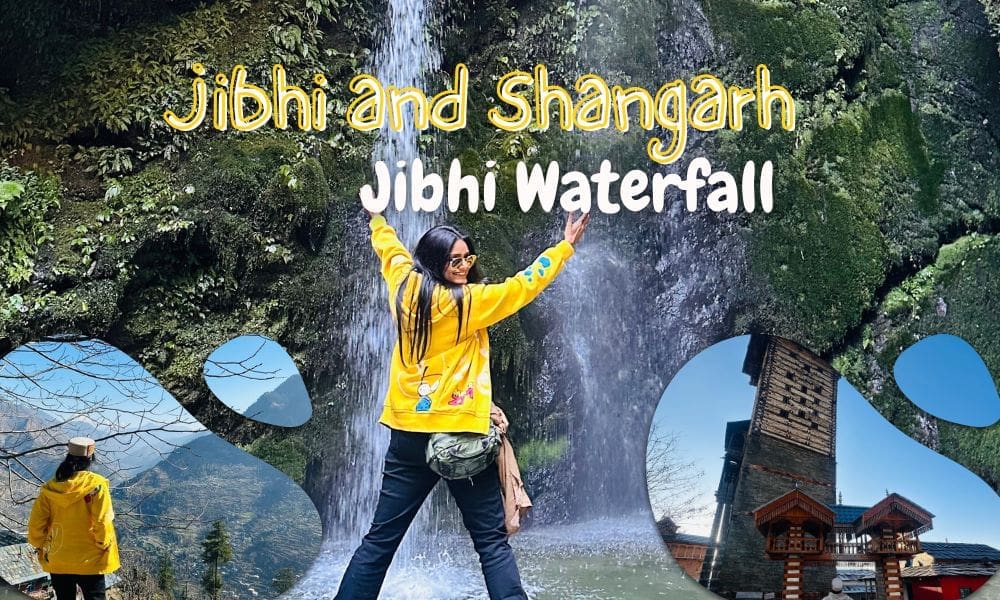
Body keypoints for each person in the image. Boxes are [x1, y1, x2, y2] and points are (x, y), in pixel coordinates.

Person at [335, 208, 590, 600]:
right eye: (455, 260)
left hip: (408, 434)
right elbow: (522, 287)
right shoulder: (467, 303)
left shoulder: (402, 287)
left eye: (468, 257)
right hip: (461, 441)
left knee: (379, 542)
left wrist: (377, 218)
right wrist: (565, 246)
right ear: (436, 263)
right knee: (491, 544)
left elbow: (391, 252)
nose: (465, 265)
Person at [28, 437, 120, 600]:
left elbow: (36, 524)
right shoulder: (97, 485)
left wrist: (39, 545)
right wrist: (103, 543)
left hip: (58, 557)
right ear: (91, 458)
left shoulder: (50, 488)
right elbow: (102, 521)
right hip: (90, 558)